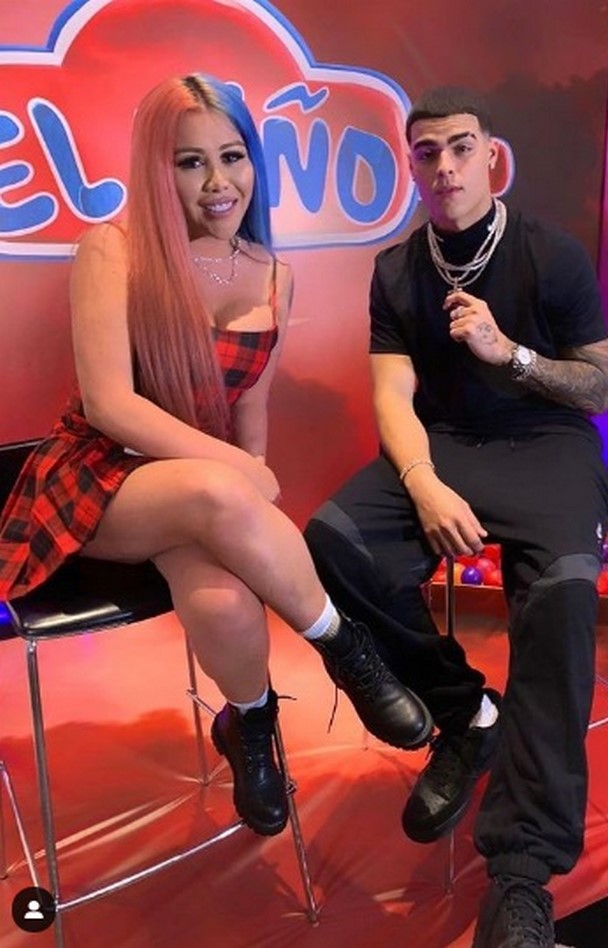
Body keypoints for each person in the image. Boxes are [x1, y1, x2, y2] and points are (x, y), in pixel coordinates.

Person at [0, 74, 430, 837]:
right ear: (155, 167)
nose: (217, 182)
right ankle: (349, 650)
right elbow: (111, 405)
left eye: (231, 157)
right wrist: (239, 477)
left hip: (201, 496)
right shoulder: (112, 249)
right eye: (190, 162)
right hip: (102, 478)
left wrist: (244, 484)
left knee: (226, 601)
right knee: (216, 492)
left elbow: (248, 408)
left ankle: (250, 724)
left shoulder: (275, 274)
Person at [303, 86, 608, 947]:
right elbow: (391, 393)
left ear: (491, 156)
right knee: (333, 542)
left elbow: (599, 387)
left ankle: (520, 876)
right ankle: (467, 715)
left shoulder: (551, 254)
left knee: (559, 601)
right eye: (427, 151)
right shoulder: (397, 270)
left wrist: (509, 354)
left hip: (550, 446)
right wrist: (423, 482)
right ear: (412, 165)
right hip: (447, 449)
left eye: (461, 147)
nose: (445, 166)